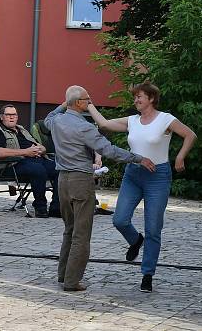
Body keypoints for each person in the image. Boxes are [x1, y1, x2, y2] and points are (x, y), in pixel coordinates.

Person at [87, 81, 196, 292]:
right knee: (119, 219)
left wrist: (180, 157)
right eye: (135, 97)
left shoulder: (166, 119)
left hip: (158, 176)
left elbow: (190, 135)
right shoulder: (132, 121)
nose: (136, 100)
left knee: (153, 228)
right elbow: (105, 124)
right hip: (133, 175)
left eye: (139, 97)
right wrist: (89, 104)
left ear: (151, 99)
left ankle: (147, 273)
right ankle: (135, 240)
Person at [45, 85, 155, 292]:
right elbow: (109, 150)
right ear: (78, 103)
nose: (89, 103)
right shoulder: (84, 127)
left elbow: (50, 115)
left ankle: (63, 275)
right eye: (87, 99)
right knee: (81, 234)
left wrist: (65, 103)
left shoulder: (56, 121)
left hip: (62, 181)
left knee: (69, 230)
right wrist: (138, 158)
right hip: (80, 181)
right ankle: (71, 281)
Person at [0, 104, 59, 217]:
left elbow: (40, 146)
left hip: (36, 160)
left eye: (14, 115)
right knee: (38, 170)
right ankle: (40, 207)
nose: (12, 117)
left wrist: (42, 149)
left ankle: (56, 208)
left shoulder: (23, 130)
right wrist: (26, 152)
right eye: (8, 115)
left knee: (58, 168)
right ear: (2, 117)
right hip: (13, 165)